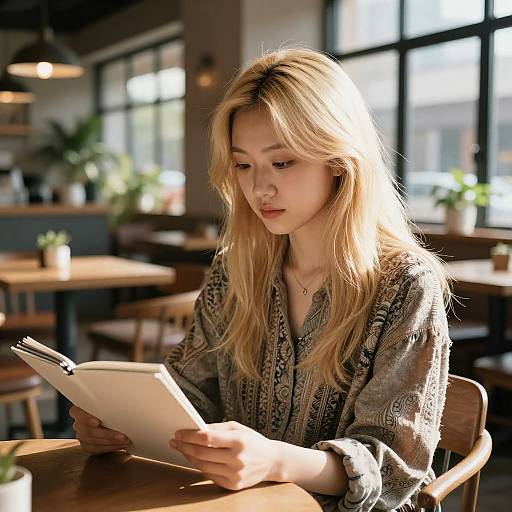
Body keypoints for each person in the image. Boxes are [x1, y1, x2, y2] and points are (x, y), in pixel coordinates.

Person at [71, 47, 452, 512]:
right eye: (244, 165)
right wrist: (120, 422)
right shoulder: (234, 271)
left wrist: (276, 460)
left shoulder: (406, 285)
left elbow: (393, 470)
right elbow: (190, 391)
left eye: (283, 162)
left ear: (338, 158)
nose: (259, 188)